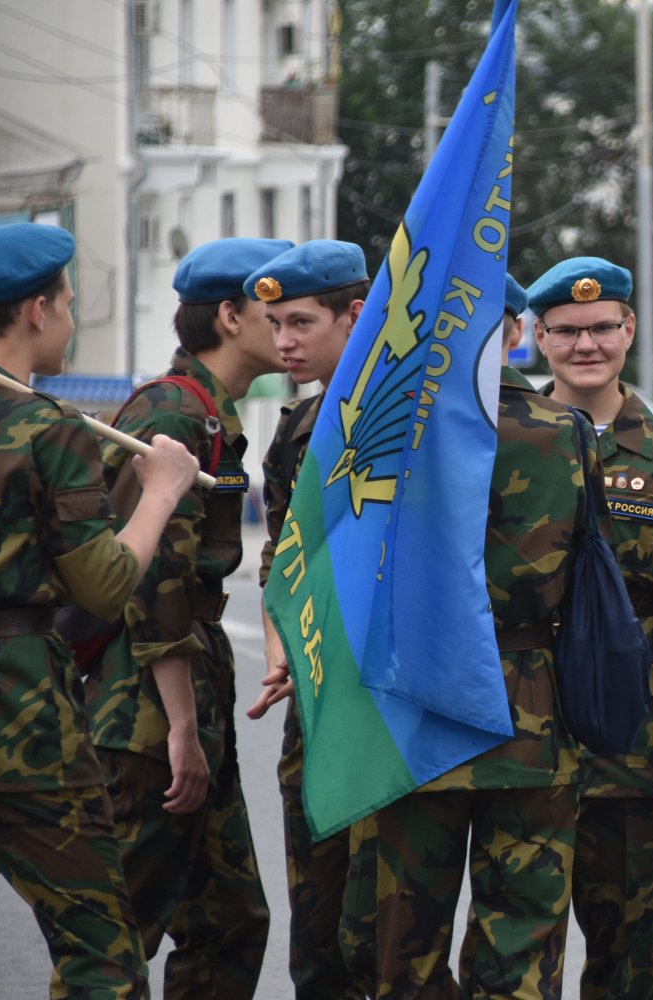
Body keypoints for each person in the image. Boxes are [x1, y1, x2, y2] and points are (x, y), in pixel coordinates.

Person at [345, 269, 602, 998]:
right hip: (531, 709)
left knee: (405, 938)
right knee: (520, 934)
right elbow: (590, 584)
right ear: (518, 333)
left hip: (414, 705)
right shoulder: (565, 434)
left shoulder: (388, 433)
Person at [84, 237, 292, 997]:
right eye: (280, 310)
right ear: (232, 316)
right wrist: (180, 726)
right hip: (144, 703)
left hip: (189, 685)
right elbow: (152, 581)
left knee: (230, 919)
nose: (292, 326)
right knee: (115, 937)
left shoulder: (212, 412)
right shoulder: (172, 411)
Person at [0, 222, 199, 997]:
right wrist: (161, 491)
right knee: (101, 953)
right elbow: (106, 586)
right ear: (37, 312)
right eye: (70, 304)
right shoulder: (46, 430)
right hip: (23, 723)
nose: (72, 320)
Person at [530, 257, 653, 1000]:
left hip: (635, 747)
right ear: (538, 337)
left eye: (603, 328)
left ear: (630, 329)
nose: (588, 345)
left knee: (625, 961)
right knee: (518, 949)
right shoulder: (504, 440)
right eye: (569, 331)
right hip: (526, 739)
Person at [241, 239, 370, 1000]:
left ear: (355, 316)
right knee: (317, 924)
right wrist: (283, 647)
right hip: (321, 704)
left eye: (299, 323)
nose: (282, 342)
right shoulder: (294, 431)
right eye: (274, 324)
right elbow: (282, 561)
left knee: (393, 935)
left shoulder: (411, 421)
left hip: (389, 702)